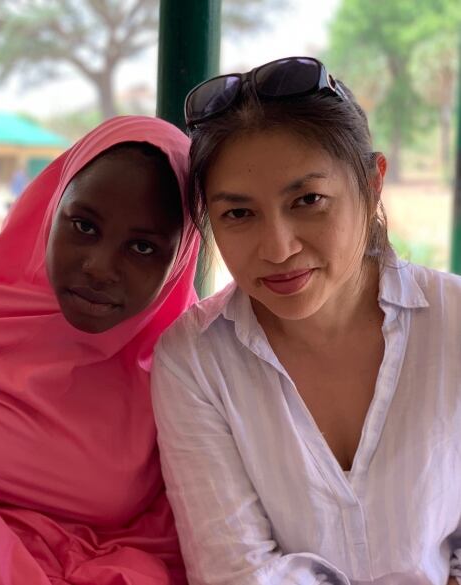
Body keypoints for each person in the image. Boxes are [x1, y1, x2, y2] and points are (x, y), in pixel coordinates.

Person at [151, 56, 461, 585]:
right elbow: (236, 572)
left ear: (372, 182)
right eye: (239, 214)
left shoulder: (453, 323)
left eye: (308, 200)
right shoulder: (195, 359)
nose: (278, 248)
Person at [0, 115, 201, 583]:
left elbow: (184, 534)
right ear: (50, 207)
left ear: (179, 258)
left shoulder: (186, 367)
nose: (99, 267)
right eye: (83, 226)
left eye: (141, 248)